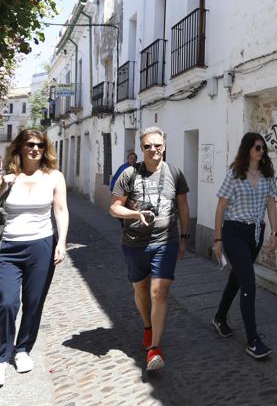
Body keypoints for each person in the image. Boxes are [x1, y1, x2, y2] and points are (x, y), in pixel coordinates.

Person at [0, 128, 68, 388]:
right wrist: (0, 189)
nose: (35, 149)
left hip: (41, 246)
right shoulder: (2, 177)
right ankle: (0, 359)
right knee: (6, 302)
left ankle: (23, 349)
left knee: (33, 302)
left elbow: (60, 210)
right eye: (29, 144)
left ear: (45, 148)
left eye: (40, 145)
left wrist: (61, 242)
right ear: (19, 147)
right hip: (6, 248)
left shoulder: (54, 177)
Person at [109, 127, 190, 371]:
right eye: (147, 146)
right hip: (134, 243)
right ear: (141, 149)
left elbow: (183, 207)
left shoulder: (174, 173)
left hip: (165, 241)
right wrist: (135, 213)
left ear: (164, 146)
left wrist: (185, 237)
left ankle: (155, 348)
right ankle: (147, 326)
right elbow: (114, 208)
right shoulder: (129, 175)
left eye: (157, 145)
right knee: (141, 288)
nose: (153, 149)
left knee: (159, 292)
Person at [212, 132, 277, 359]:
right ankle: (253, 340)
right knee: (248, 282)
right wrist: (218, 239)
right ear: (248, 149)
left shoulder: (267, 175)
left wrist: (274, 231)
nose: (262, 152)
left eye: (263, 148)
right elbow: (221, 207)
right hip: (233, 231)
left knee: (237, 278)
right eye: (258, 148)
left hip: (255, 233)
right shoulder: (235, 174)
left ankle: (220, 316)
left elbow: (271, 203)